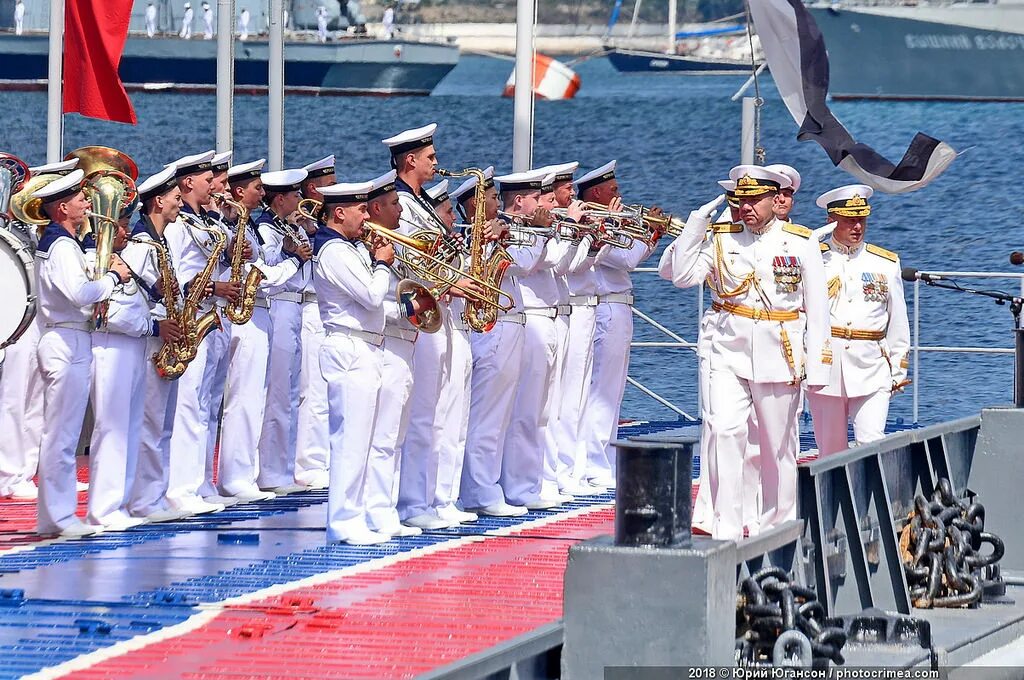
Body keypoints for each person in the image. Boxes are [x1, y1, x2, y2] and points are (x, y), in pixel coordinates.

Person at [666, 165, 829, 541]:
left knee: (778, 446)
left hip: (779, 352)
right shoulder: (723, 239)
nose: (747, 208)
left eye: (755, 200)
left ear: (776, 200)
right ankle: (725, 529)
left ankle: (777, 526)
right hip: (727, 349)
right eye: (742, 201)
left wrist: (817, 369)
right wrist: (696, 224)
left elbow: (817, 311)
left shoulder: (800, 241)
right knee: (723, 431)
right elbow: (681, 276)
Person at [33, 170, 131, 537]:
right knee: (60, 435)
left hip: (74, 338)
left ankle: (56, 516)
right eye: (80, 199)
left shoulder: (68, 243)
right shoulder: (59, 246)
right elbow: (78, 293)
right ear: (62, 208)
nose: (88, 203)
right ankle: (56, 518)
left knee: (65, 432)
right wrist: (112, 280)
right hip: (64, 339)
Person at [460, 168, 549, 517]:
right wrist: (533, 233)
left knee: (501, 416)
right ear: (476, 205)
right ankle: (479, 491)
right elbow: (524, 266)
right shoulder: (476, 237)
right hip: (492, 327)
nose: (498, 202)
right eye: (492, 198)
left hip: (509, 325)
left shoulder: (499, 233)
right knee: (487, 416)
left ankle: (488, 485)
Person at [86, 206, 178, 531]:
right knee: (112, 429)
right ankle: (103, 508)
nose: (126, 232)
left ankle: (121, 504)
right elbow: (107, 314)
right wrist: (153, 328)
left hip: (132, 347)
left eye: (125, 226)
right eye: (121, 227)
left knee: (130, 427)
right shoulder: (97, 263)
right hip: (112, 347)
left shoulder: (121, 262)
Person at [313, 178, 393, 545]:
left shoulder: (349, 248)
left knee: (364, 437)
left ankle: (355, 515)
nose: (367, 215)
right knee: (350, 440)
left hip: (364, 346)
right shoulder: (334, 252)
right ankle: (343, 520)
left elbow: (374, 305)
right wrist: (382, 263)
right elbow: (372, 296)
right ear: (339, 212)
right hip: (348, 348)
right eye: (361, 209)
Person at [163, 150, 240, 516]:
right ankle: (180, 487)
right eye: (208, 179)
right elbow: (173, 275)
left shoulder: (206, 221)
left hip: (210, 318)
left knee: (205, 405)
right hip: (192, 315)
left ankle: (199, 482)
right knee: (188, 405)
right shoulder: (179, 226)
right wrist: (211, 289)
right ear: (188, 182)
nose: (215, 185)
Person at [808, 185, 910, 456]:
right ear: (831, 222)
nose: (857, 226)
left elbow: (897, 319)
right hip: (827, 366)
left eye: (861, 219)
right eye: (849, 220)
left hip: (871, 365)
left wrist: (898, 368)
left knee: (871, 444)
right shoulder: (813, 258)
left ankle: (872, 499)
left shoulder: (885, 263)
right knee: (830, 451)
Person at [0, 159, 80, 502]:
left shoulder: (41, 231)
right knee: (15, 398)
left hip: (42, 319)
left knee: (37, 401)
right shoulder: (13, 229)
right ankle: (8, 473)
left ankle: (29, 470)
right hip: (18, 320)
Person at [577, 160, 656, 489]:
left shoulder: (608, 223)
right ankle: (594, 463)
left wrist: (648, 236)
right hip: (607, 306)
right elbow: (626, 259)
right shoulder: (596, 224)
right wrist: (650, 237)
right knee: (602, 390)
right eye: (613, 191)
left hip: (618, 306)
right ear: (597, 193)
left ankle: (604, 457)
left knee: (613, 389)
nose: (619, 196)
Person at [120, 164, 191, 523]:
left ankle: (155, 494)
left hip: (166, 334)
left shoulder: (160, 242)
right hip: (151, 339)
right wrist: (157, 320)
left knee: (162, 424)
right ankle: (144, 499)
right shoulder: (140, 245)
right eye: (176, 198)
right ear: (158, 201)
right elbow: (129, 294)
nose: (180, 202)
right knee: (149, 424)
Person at [363, 170, 426, 538]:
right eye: (393, 204)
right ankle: (377, 511)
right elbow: (373, 301)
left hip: (405, 339)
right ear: (376, 208)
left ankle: (387, 508)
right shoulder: (370, 249)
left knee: (396, 433)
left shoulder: (393, 242)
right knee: (382, 435)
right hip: (386, 339)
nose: (400, 209)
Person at [254, 167, 315, 494]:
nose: (301, 200)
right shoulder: (266, 229)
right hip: (277, 304)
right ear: (280, 199)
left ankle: (285, 467)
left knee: (290, 393)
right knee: (277, 393)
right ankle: (271, 471)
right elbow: (269, 268)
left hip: (296, 307)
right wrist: (290, 252)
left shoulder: (286, 226)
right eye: (295, 196)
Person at [294, 155, 336, 489]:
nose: (336, 189)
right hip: (307, 307)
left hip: (322, 309)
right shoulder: (308, 223)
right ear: (313, 188)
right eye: (330, 185)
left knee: (324, 390)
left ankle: (320, 458)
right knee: (312, 391)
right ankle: (310, 462)